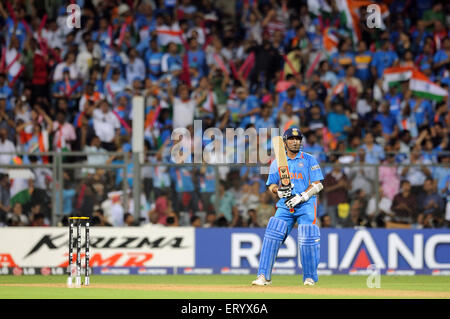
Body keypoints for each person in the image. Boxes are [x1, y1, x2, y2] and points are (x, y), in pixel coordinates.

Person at [252, 127, 324, 287]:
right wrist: (279, 191)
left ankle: (309, 277)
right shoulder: (278, 162)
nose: (295, 141)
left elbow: (318, 184)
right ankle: (263, 276)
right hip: (285, 206)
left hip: (305, 204)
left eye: (297, 139)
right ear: (285, 142)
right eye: (291, 139)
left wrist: (302, 197)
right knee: (272, 233)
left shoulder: (309, 159)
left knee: (307, 236)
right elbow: (271, 185)